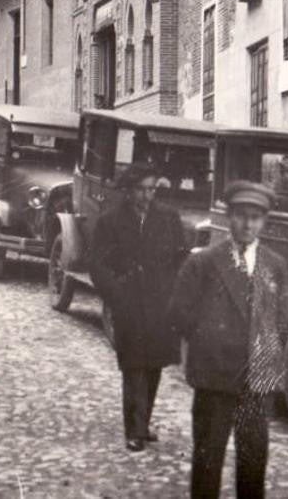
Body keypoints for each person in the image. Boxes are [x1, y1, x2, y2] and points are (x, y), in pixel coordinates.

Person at [169, 180, 288, 498]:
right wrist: (209, 338)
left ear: (264, 221)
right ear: (229, 217)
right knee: (209, 457)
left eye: (255, 217)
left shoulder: (275, 265)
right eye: (241, 215)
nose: (248, 224)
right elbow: (179, 313)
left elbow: (281, 317)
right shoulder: (204, 262)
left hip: (256, 381)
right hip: (215, 378)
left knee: (253, 460)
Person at [89, 163, 187, 452]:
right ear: (129, 191)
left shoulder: (169, 218)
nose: (147, 196)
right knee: (133, 366)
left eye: (152, 189)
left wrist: (175, 292)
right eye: (142, 190)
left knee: (154, 364)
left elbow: (181, 258)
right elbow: (97, 264)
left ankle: (144, 422)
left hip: (160, 303)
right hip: (129, 304)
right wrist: (117, 293)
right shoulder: (110, 221)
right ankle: (133, 429)